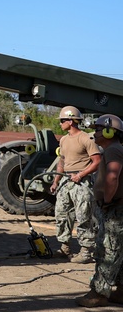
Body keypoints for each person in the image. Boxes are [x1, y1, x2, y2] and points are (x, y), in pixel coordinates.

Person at [77, 114, 123, 307]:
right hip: (116, 206)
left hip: (114, 209)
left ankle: (98, 293)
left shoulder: (113, 150)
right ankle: (120, 291)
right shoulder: (115, 149)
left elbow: (112, 177)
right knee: (119, 250)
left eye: (97, 129)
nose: (94, 133)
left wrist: (106, 200)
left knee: (107, 250)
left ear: (109, 131)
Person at [51, 105, 101, 264]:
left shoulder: (85, 138)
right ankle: (64, 247)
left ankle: (86, 251)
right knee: (61, 214)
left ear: (71, 121)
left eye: (63, 120)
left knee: (84, 216)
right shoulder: (64, 139)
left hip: (82, 183)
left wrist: (80, 175)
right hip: (65, 181)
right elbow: (62, 161)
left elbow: (97, 161)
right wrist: (56, 181)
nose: (60, 123)